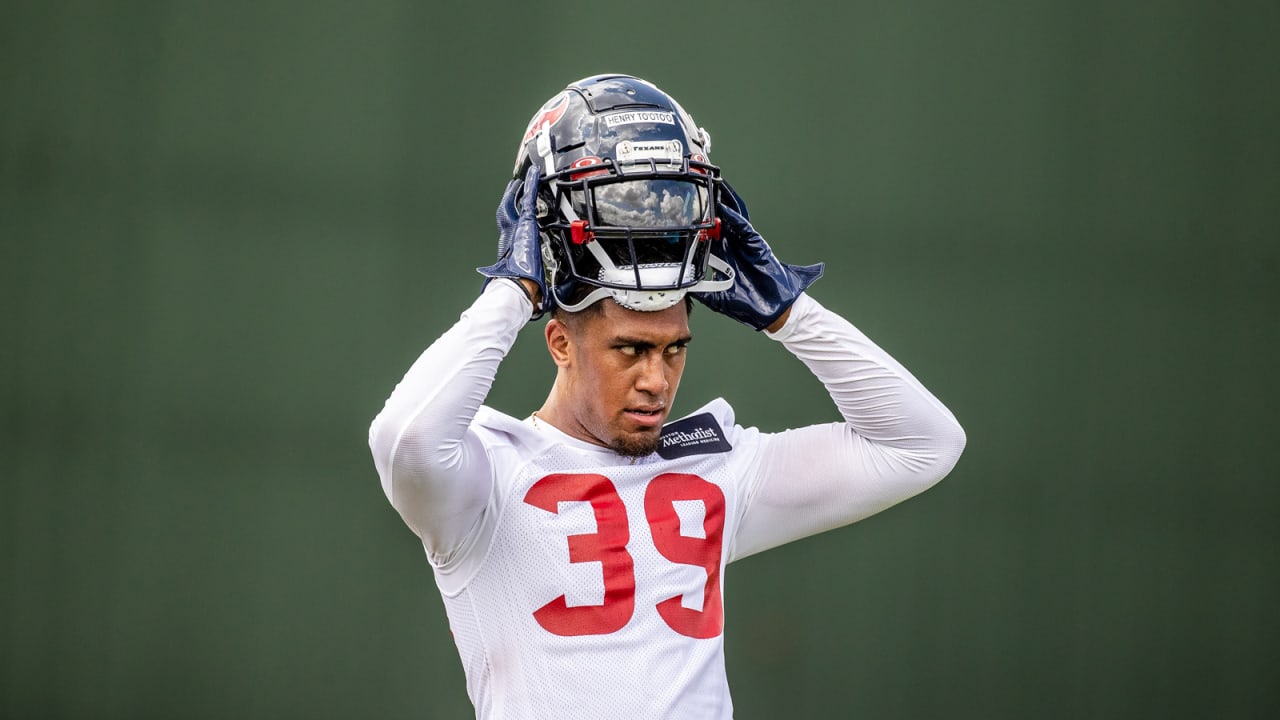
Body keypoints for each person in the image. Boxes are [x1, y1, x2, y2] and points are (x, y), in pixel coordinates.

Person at [368, 74, 966, 720]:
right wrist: (511, 292)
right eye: (629, 349)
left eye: (674, 348)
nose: (657, 379)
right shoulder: (484, 478)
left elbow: (923, 444)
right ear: (559, 343)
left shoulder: (712, 468)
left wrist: (791, 315)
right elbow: (405, 439)